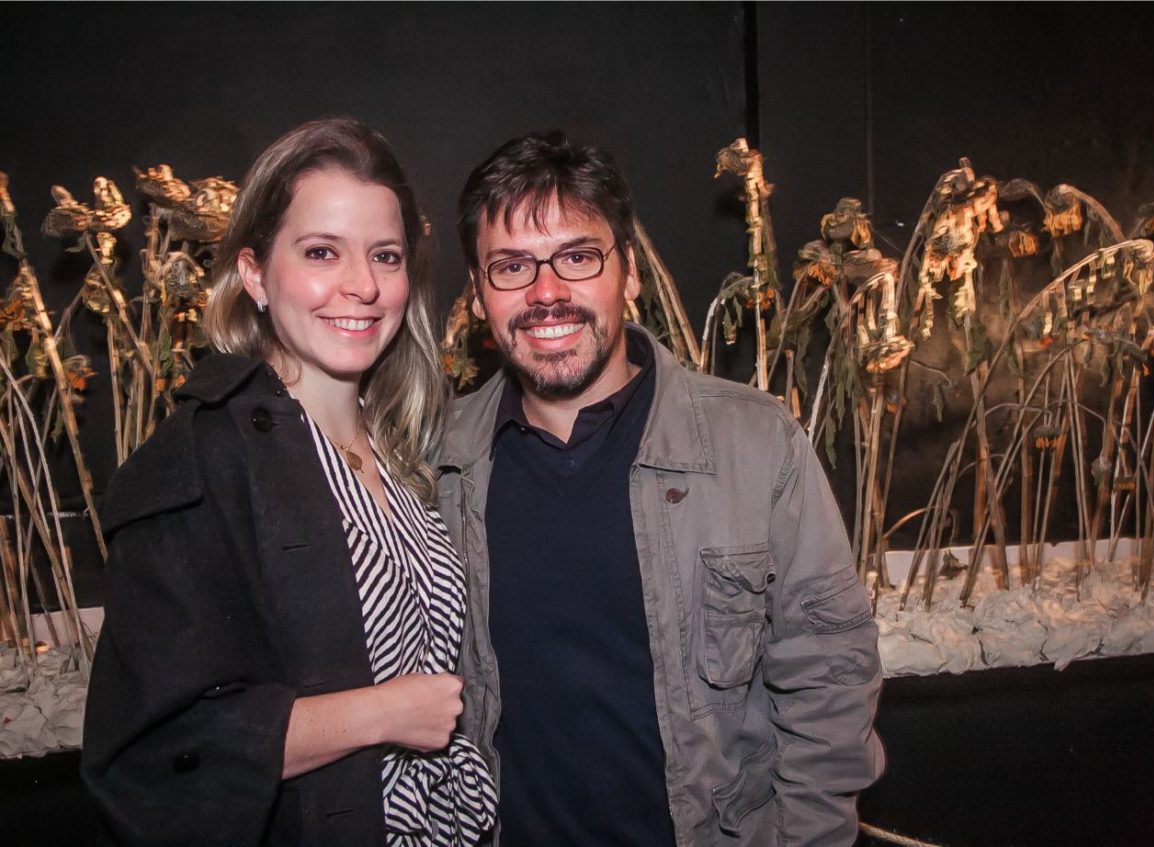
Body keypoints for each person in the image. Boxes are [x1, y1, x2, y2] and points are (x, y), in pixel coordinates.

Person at [437, 131, 885, 845]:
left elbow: (830, 674)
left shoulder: (754, 444)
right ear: (478, 290)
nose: (546, 292)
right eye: (511, 266)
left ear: (630, 273)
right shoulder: (434, 465)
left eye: (578, 257)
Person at [81, 118, 495, 846]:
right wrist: (379, 714)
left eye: (386, 255)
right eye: (321, 252)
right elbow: (151, 756)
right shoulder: (201, 459)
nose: (362, 285)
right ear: (253, 273)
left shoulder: (405, 448)